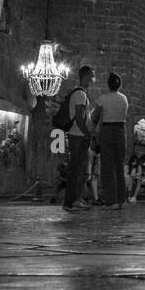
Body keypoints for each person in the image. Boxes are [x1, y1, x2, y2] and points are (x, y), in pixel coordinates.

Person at [90, 71, 129, 211]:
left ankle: (111, 201)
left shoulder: (103, 98)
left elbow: (95, 117)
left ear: (108, 84)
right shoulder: (124, 98)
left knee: (107, 166)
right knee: (119, 165)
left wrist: (92, 131)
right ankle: (122, 199)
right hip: (121, 130)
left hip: (107, 130)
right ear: (120, 84)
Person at [61, 66, 95, 212]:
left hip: (78, 135)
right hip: (78, 136)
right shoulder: (80, 94)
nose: (93, 79)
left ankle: (76, 199)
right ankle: (71, 201)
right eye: (92, 76)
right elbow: (80, 118)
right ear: (86, 76)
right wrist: (87, 134)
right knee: (76, 170)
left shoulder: (80, 93)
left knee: (79, 169)